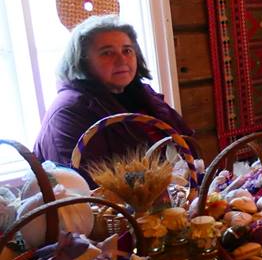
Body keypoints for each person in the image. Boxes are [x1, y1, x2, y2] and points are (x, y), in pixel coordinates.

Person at [34, 15, 194, 174]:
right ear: (82, 61)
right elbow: (83, 184)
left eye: (127, 50)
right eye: (107, 53)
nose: (122, 60)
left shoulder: (145, 96)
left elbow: (186, 148)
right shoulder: (68, 113)